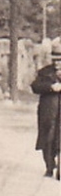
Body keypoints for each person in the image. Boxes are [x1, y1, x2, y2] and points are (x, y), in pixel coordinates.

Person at [31, 40, 61, 177]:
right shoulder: (45, 72)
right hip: (48, 113)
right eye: (55, 59)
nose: (58, 63)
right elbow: (35, 86)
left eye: (60, 60)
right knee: (48, 139)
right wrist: (50, 87)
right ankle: (49, 166)